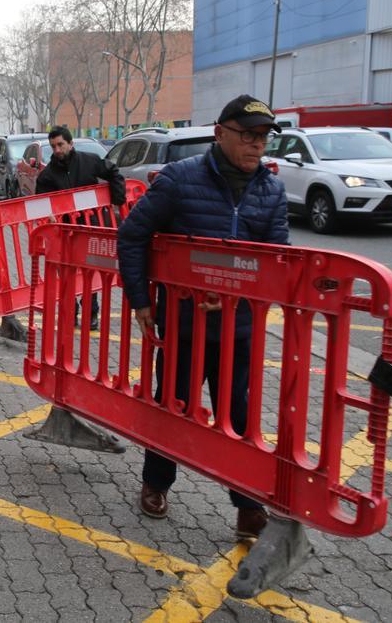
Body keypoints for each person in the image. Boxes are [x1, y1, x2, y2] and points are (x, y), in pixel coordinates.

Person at [117, 95, 290, 541]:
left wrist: (237, 296)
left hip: (239, 331)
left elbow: (277, 264)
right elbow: (133, 235)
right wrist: (142, 302)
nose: (256, 146)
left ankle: (248, 506)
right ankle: (156, 484)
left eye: (263, 138)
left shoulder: (271, 190)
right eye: (247, 136)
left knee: (239, 416)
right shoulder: (179, 179)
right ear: (220, 133)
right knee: (172, 403)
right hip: (183, 326)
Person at [36, 126, 127, 331]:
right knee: (67, 273)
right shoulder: (47, 175)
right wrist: (48, 216)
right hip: (64, 232)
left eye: (60, 144)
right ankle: (71, 311)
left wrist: (116, 201)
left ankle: (91, 313)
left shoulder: (89, 160)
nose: (57, 150)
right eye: (53, 146)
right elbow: (40, 201)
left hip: (90, 227)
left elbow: (113, 172)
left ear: (70, 144)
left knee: (88, 272)